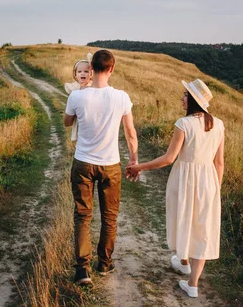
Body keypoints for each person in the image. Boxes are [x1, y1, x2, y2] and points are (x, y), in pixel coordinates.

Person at [126, 79, 225, 298]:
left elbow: (169, 159)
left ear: (193, 100)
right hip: (209, 181)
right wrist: (215, 188)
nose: (182, 98)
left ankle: (185, 266)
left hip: (185, 179)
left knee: (183, 218)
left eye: (185, 95)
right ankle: (190, 276)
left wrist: (138, 167)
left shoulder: (184, 124)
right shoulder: (218, 124)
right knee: (202, 228)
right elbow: (220, 163)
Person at [64, 49, 138, 285]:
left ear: (92, 68)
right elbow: (130, 132)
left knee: (82, 216)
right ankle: (104, 264)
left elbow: (67, 123)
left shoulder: (77, 96)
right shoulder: (122, 97)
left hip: (83, 163)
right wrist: (134, 160)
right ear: (112, 69)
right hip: (110, 165)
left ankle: (82, 270)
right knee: (109, 217)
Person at [64, 54, 93, 142]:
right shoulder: (74, 87)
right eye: (79, 72)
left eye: (86, 71)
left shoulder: (92, 86)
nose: (83, 73)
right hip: (78, 118)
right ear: (75, 75)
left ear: (91, 74)